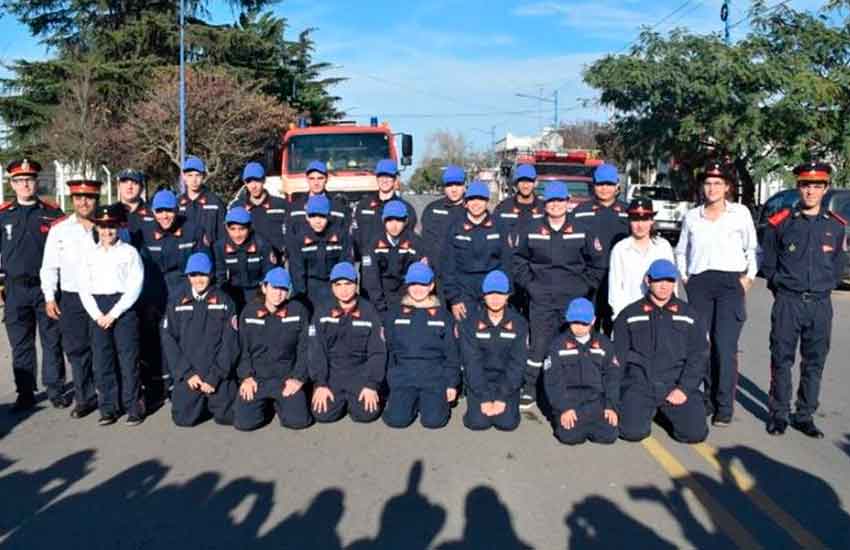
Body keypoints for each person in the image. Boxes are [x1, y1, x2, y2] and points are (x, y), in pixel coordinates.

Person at [760, 162, 847, 438]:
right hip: (789, 301)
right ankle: (779, 414)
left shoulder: (836, 225)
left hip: (820, 304)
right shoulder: (781, 223)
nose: (811, 191)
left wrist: (826, 285)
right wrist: (780, 286)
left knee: (815, 361)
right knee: (782, 358)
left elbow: (836, 263)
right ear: (799, 187)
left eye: (817, 186)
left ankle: (804, 414)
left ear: (825, 189)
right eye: (806, 185)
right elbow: (769, 262)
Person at [675, 161, 757, 427]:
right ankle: (708, 398)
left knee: (724, 345)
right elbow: (681, 250)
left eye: (718, 183)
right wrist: (686, 277)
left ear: (727, 187)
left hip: (730, 283)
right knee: (703, 345)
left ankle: (724, 405)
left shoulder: (740, 213)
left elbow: (753, 250)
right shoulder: (692, 216)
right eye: (708, 183)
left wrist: (748, 279)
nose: (712, 188)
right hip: (700, 283)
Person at [513, 181, 607, 410]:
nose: (556, 205)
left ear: (568, 202)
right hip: (541, 297)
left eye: (560, 200)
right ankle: (531, 387)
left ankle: (572, 385)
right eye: (551, 201)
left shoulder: (582, 229)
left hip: (572, 301)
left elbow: (597, 264)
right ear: (545, 204)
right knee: (539, 344)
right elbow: (517, 261)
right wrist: (531, 286)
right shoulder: (532, 228)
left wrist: (583, 288)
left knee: (571, 342)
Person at [614, 259, 709, 444]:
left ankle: (664, 412)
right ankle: (644, 410)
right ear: (648, 281)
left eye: (669, 280)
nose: (664, 286)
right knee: (631, 433)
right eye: (658, 280)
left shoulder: (689, 315)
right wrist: (614, 396)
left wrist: (684, 389)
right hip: (640, 385)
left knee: (694, 434)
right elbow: (618, 357)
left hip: (675, 384)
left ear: (675, 283)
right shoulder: (629, 315)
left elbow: (698, 357)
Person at [0, 159, 67, 411]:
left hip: (46, 289)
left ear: (36, 182)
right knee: (21, 343)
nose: (25, 184)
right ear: (12, 184)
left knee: (52, 340)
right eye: (20, 180)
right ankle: (25, 392)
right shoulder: (3, 215)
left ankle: (55, 389)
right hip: (15, 289)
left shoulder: (53, 214)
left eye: (29, 179)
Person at [138, 189, 209, 404]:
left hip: (183, 291)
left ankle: (183, 380)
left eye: (169, 210)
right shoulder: (145, 233)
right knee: (156, 340)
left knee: (184, 338)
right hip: (154, 294)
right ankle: (157, 384)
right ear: (153, 213)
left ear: (176, 211)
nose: (165, 216)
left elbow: (202, 264)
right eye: (160, 211)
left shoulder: (192, 230)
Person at [77, 205, 145, 426]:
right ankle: (109, 408)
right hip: (97, 309)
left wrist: (114, 313)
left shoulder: (129, 252)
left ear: (119, 227)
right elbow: (83, 288)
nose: (107, 231)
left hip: (123, 308)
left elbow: (135, 286)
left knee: (128, 360)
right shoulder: (88, 255)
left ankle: (133, 406)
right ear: (96, 227)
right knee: (102, 362)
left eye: (111, 226)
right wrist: (98, 315)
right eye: (103, 227)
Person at [41, 178, 103, 418]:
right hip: (73, 297)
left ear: (96, 199)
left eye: (88, 197)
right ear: (72, 200)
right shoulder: (60, 230)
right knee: (77, 350)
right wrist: (49, 296)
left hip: (102, 296)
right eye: (78, 198)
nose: (83, 202)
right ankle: (84, 398)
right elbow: (49, 267)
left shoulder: (108, 225)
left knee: (104, 348)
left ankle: (109, 395)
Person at [161, 252, 238, 427]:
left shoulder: (225, 301)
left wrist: (215, 376)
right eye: (193, 275)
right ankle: (199, 401)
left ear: (210, 274)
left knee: (228, 417)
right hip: (191, 372)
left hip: (216, 372)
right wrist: (187, 374)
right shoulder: (176, 301)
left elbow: (231, 343)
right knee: (183, 420)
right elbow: (169, 340)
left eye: (202, 274)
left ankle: (211, 399)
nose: (198, 279)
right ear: (188, 276)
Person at [382, 262, 460, 429]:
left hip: (433, 376)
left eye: (423, 284)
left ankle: (426, 402)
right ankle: (410, 402)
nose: (418, 288)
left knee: (433, 422)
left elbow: (451, 354)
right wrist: (391, 381)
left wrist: (451, 384)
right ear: (407, 285)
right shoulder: (394, 314)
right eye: (413, 284)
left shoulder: (443, 315)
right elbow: (389, 350)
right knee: (397, 421)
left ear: (431, 285)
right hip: (403, 376)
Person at [234, 267, 312, 431]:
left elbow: (305, 349)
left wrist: (298, 378)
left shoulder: (298, 312)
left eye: (283, 289)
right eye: (274, 287)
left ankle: (280, 403)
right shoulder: (249, 312)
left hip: (286, 378)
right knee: (244, 423)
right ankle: (267, 405)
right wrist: (246, 377)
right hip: (257, 379)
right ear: (264, 287)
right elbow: (242, 350)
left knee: (298, 421)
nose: (278, 293)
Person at [308, 262, 386, 424]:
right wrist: (320, 383)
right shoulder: (322, 312)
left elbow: (377, 352)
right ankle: (339, 399)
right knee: (322, 414)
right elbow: (317, 351)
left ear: (356, 284)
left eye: (348, 284)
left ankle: (370, 395)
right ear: (332, 287)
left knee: (366, 414)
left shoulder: (369, 311)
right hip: (332, 373)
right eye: (338, 284)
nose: (343, 290)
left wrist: (372, 384)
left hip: (360, 372)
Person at [543, 298, 619, 445]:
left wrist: (611, 406)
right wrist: (563, 407)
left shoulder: (604, 344)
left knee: (609, 435)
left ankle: (591, 423)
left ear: (593, 320)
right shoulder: (557, 345)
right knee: (569, 437)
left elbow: (612, 377)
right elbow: (553, 381)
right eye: (575, 322)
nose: (579, 327)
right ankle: (570, 421)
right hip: (570, 401)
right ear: (568, 320)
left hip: (597, 402)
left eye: (584, 323)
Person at [459, 270, 526, 432]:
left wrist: (502, 397)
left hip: (506, 382)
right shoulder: (470, 323)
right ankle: (474, 405)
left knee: (507, 424)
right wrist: (484, 397)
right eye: (491, 293)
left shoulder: (519, 323)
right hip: (480, 382)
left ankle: (509, 403)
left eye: (500, 293)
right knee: (478, 423)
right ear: (484, 295)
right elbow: (471, 363)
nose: (495, 299)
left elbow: (517, 364)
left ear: (507, 295)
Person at [441, 180, 512, 322]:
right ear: (466, 202)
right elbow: (448, 266)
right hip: (464, 291)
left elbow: (507, 262)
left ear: (487, 202)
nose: (476, 203)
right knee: (465, 336)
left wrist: (505, 293)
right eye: (472, 199)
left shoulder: (499, 226)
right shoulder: (455, 227)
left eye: (481, 199)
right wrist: (454, 299)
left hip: (493, 290)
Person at [572, 163, 629, 334]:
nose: (604, 188)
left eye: (609, 184)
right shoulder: (581, 211)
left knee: (617, 327)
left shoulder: (628, 212)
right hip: (589, 279)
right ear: (593, 185)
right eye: (600, 184)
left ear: (617, 186)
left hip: (619, 278)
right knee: (588, 327)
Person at [608, 197, 675, 321]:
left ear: (651, 221)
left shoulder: (663, 246)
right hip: (631, 314)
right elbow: (615, 288)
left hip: (660, 313)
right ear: (629, 221)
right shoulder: (620, 249)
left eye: (644, 219)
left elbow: (672, 282)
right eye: (635, 220)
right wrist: (620, 317)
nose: (640, 225)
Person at [493, 163, 543, 317]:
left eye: (529, 181)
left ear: (536, 183)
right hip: (508, 271)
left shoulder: (544, 209)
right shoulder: (503, 208)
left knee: (533, 317)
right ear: (515, 184)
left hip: (535, 272)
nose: (525, 185)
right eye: (522, 181)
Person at [287, 195, 352, 310]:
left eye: (322, 216)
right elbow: (297, 270)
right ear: (307, 217)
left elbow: (345, 264)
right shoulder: (299, 237)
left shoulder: (340, 235)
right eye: (313, 216)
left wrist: (342, 292)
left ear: (329, 216)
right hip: (309, 287)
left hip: (334, 286)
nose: (317, 221)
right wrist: (302, 298)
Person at [360, 200, 425, 313]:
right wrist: (380, 306)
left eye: (399, 220)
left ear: (405, 221)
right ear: (383, 221)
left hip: (407, 297)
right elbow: (371, 279)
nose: (394, 225)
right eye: (389, 220)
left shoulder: (416, 243)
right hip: (380, 298)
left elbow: (418, 278)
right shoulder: (373, 244)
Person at [351, 159, 418, 259]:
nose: (384, 180)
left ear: (395, 180)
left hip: (396, 266)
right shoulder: (363, 205)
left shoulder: (406, 208)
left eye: (388, 176)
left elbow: (410, 239)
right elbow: (356, 235)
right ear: (377, 178)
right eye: (381, 176)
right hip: (369, 264)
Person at [213, 206, 274, 313]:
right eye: (233, 229)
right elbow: (220, 277)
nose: (237, 234)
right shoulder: (220, 247)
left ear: (250, 228)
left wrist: (263, 298)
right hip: (233, 292)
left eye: (242, 229)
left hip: (257, 292)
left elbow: (269, 275)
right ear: (226, 228)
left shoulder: (262, 245)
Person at [228, 161, 289, 263]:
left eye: (257, 180)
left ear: (264, 180)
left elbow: (291, 233)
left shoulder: (280, 205)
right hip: (248, 262)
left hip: (277, 262)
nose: (253, 186)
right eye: (249, 181)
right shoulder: (236, 207)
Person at [420, 165, 466, 275]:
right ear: (444, 188)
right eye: (449, 185)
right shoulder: (432, 209)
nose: (454, 189)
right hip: (437, 271)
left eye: (458, 185)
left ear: (464, 186)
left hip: (464, 272)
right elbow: (426, 241)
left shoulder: (473, 209)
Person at [286, 160, 350, 237]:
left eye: (320, 178)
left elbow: (345, 237)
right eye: (312, 178)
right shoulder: (295, 208)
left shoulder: (338, 208)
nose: (316, 183)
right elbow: (289, 237)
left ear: (327, 179)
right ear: (306, 179)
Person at [177, 156, 226, 243]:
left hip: (209, 254)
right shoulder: (177, 204)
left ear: (203, 176)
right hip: (184, 254)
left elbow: (223, 236)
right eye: (190, 175)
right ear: (184, 177)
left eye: (197, 175)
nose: (194, 180)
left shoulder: (215, 202)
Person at [113, 169, 153, 246]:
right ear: (118, 186)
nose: (129, 187)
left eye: (135, 183)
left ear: (141, 188)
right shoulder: (111, 213)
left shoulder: (152, 213)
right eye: (125, 182)